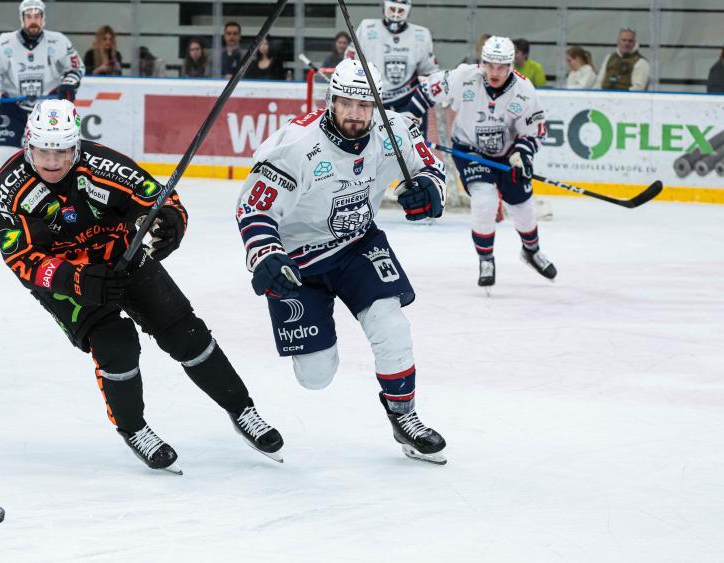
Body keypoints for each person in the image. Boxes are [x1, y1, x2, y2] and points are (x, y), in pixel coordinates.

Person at [0, 99, 284, 473]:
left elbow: (160, 198)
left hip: (121, 257)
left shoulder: (102, 165)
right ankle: (134, 429)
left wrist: (170, 222)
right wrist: (76, 279)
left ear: (75, 146)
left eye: (62, 150)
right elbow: (20, 258)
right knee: (116, 344)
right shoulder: (7, 189)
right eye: (44, 150)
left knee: (186, 334)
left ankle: (243, 410)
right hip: (68, 279)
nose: (52, 160)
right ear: (29, 144)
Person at [235, 59, 448, 465]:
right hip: (297, 261)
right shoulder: (296, 146)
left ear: (376, 106)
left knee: (392, 326)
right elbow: (254, 209)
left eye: (364, 105)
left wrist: (427, 189)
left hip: (357, 246)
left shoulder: (395, 130)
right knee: (316, 376)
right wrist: (266, 254)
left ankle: (404, 418)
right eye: (346, 103)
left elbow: (429, 168)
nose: (355, 113)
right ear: (331, 100)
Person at [413, 36, 555, 290]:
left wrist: (522, 153)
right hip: (470, 150)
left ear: (511, 65)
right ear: (482, 62)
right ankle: (486, 258)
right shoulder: (464, 77)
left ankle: (531, 251)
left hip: (506, 154)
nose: (495, 72)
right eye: (489, 65)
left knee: (522, 206)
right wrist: (408, 116)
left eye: (501, 67)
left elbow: (534, 131)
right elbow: (426, 92)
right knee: (484, 199)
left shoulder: (524, 90)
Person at [0, 0, 84, 181]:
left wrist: (68, 85)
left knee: (55, 155)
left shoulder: (58, 41)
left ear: (43, 18)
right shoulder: (4, 42)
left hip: (48, 109)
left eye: (37, 16)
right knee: (4, 154)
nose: (33, 20)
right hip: (13, 107)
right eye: (29, 16)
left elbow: (76, 68)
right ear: (22, 18)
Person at [345, 0, 439, 133]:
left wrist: (421, 102)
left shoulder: (421, 35)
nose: (395, 14)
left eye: (400, 10)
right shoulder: (367, 28)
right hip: (373, 99)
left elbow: (430, 73)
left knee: (413, 146)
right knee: (372, 145)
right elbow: (349, 63)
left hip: (408, 101)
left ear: (408, 10)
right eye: (392, 9)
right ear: (384, 7)